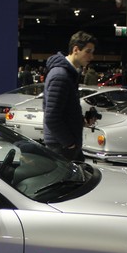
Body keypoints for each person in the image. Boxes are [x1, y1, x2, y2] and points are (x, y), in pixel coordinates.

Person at [42, 30, 97, 161]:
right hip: (62, 147)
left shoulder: (68, 74)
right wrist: (69, 143)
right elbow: (52, 118)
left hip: (64, 145)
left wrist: (81, 121)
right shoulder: (61, 76)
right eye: (88, 51)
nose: (91, 57)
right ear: (76, 49)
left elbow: (64, 111)